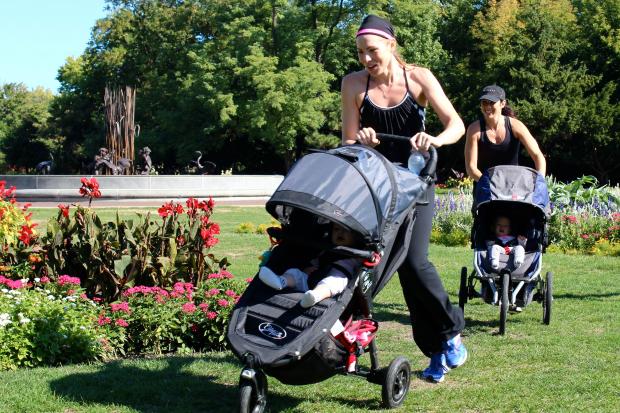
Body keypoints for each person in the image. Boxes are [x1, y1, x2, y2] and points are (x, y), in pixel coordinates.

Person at [341, 14, 467, 383]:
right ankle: (437, 352)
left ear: (392, 46)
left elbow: (455, 125)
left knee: (414, 263)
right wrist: (362, 141)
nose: (366, 59)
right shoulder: (353, 85)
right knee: (390, 269)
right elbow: (347, 141)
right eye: (361, 52)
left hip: (417, 181)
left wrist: (434, 141)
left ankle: (451, 330)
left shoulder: (419, 78)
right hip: (377, 185)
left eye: (372, 50)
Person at [258, 223, 360, 308]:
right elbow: (317, 261)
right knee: (295, 273)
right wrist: (308, 269)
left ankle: (316, 295)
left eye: (346, 230)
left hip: (335, 281)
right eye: (336, 229)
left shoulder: (356, 255)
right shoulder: (326, 249)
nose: (340, 233)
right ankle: (281, 281)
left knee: (333, 282)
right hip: (311, 279)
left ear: (356, 236)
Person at [465, 84, 546, 186]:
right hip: (485, 188)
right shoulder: (474, 129)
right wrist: (490, 184)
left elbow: (538, 156)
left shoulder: (515, 126)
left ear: (503, 103)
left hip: (514, 189)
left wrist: (540, 182)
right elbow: (471, 168)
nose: (487, 106)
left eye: (492, 102)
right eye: (484, 102)